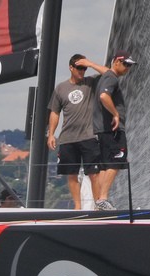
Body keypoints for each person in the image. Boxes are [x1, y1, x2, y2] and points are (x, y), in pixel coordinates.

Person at [47, 54, 102, 209]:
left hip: (88, 136)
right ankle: (77, 206)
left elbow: (109, 73)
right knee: (71, 174)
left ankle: (98, 204)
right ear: (71, 68)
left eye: (84, 68)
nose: (82, 71)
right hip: (68, 138)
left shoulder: (90, 82)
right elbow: (54, 112)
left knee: (94, 173)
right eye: (79, 68)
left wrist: (90, 63)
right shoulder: (61, 88)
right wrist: (51, 134)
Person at [93, 49, 137, 210]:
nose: (127, 68)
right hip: (112, 129)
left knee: (106, 165)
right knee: (117, 161)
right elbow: (104, 96)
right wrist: (116, 114)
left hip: (102, 130)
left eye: (130, 66)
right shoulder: (111, 78)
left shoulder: (106, 77)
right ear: (116, 62)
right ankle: (103, 199)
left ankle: (99, 202)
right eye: (125, 64)